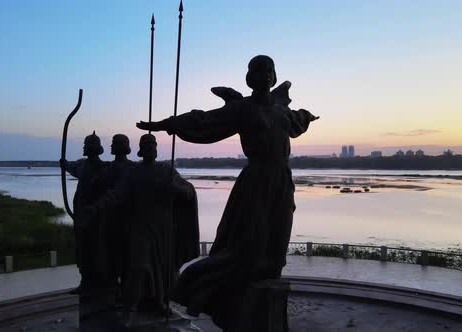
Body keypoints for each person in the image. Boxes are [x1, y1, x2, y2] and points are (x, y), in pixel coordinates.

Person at [136, 55, 319, 330]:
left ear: (274, 75)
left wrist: (309, 116)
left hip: (281, 181)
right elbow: (203, 121)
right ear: (251, 77)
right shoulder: (242, 109)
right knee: (249, 243)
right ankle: (206, 291)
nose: (266, 75)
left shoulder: (280, 109)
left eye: (270, 70)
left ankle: (266, 297)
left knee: (276, 242)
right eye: (259, 70)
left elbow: (297, 121)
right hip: (256, 182)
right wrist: (168, 124)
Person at [92, 134, 199, 326]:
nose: (151, 148)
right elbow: (117, 195)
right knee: (138, 267)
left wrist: (175, 187)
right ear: (141, 149)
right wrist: (97, 207)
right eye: (147, 145)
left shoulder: (167, 170)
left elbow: (188, 192)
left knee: (163, 270)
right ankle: (130, 307)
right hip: (140, 226)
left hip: (163, 229)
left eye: (153, 145)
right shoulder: (133, 172)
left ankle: (159, 302)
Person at [60, 131, 108, 294]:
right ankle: (85, 281)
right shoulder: (81, 164)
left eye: (89, 147)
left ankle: (99, 282)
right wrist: (64, 164)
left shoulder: (104, 168)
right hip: (81, 213)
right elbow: (72, 167)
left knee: (96, 248)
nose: (86, 149)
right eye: (86, 146)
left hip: (96, 216)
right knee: (82, 249)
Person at [97, 134, 134, 295]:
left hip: (128, 219)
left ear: (122, 146)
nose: (111, 146)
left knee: (127, 256)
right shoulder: (107, 168)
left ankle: (126, 288)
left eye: (114, 143)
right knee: (109, 254)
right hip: (109, 218)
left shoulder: (133, 168)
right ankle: (111, 288)